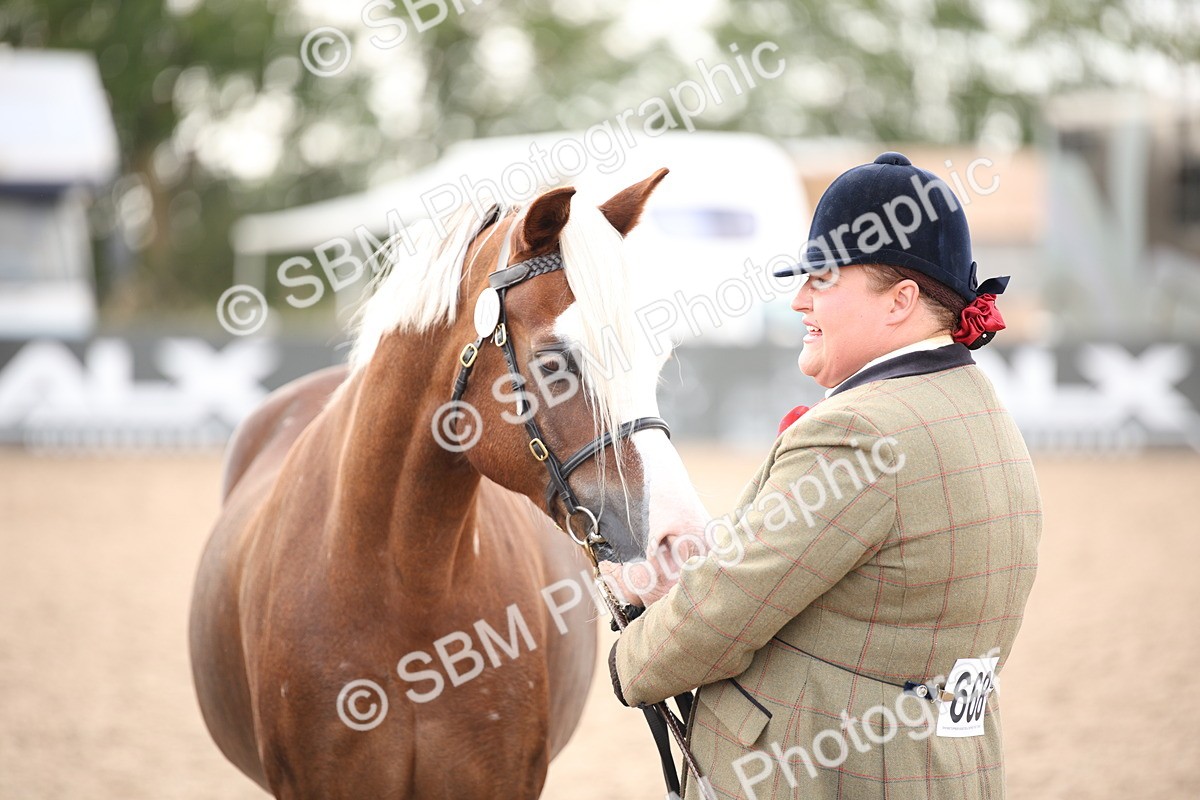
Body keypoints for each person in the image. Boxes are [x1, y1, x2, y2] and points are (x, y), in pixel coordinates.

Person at [606, 152, 1042, 799]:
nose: (798, 299)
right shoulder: (983, 412)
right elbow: (843, 577)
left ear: (901, 301)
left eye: (823, 280)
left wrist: (629, 655)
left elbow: (725, 613)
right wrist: (684, 574)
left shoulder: (861, 430)